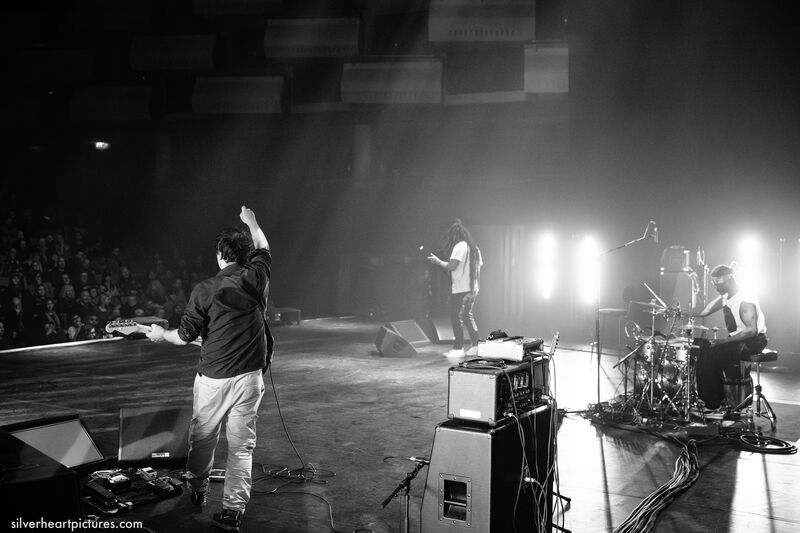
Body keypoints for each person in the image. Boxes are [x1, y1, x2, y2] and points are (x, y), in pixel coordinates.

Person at [146, 206, 272, 532]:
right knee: (242, 446)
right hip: (250, 379)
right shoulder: (257, 276)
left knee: (202, 440)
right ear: (245, 256)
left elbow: (184, 336)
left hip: (214, 380)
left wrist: (161, 335)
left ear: (220, 255)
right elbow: (264, 246)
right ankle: (232, 511)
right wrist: (252, 222)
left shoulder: (204, 290)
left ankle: (198, 491)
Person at [691, 264, 767, 410]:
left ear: (729, 277)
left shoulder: (744, 300)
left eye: (718, 281)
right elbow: (706, 310)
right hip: (741, 339)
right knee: (703, 346)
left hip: (753, 341)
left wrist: (723, 341)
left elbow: (751, 330)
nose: (715, 285)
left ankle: (712, 404)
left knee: (710, 353)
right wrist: (680, 312)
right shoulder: (726, 296)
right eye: (713, 282)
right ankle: (719, 400)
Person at [427, 219, 483, 357]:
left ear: (455, 235)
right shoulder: (475, 248)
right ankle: (476, 345)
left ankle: (458, 348)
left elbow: (452, 266)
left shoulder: (460, 246)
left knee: (456, 317)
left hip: (461, 288)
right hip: (473, 288)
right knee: (467, 315)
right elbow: (479, 266)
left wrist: (438, 262)